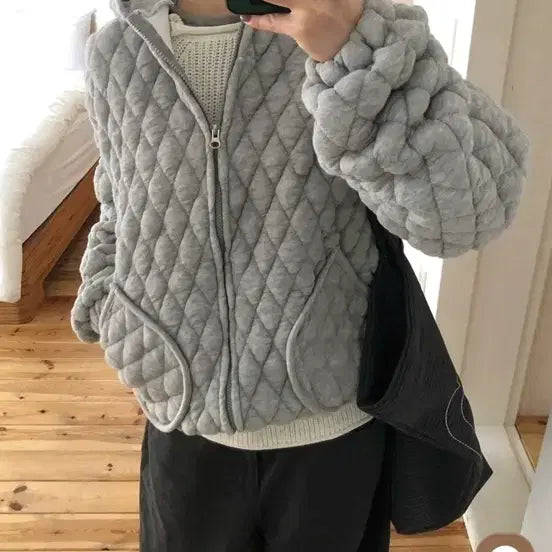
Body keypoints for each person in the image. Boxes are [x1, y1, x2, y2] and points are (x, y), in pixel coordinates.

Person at [71, 0, 529, 550]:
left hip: (331, 438)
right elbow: (119, 206)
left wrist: (355, 56)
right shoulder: (114, 52)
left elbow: (468, 218)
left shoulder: (350, 25)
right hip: (181, 427)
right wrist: (112, 312)